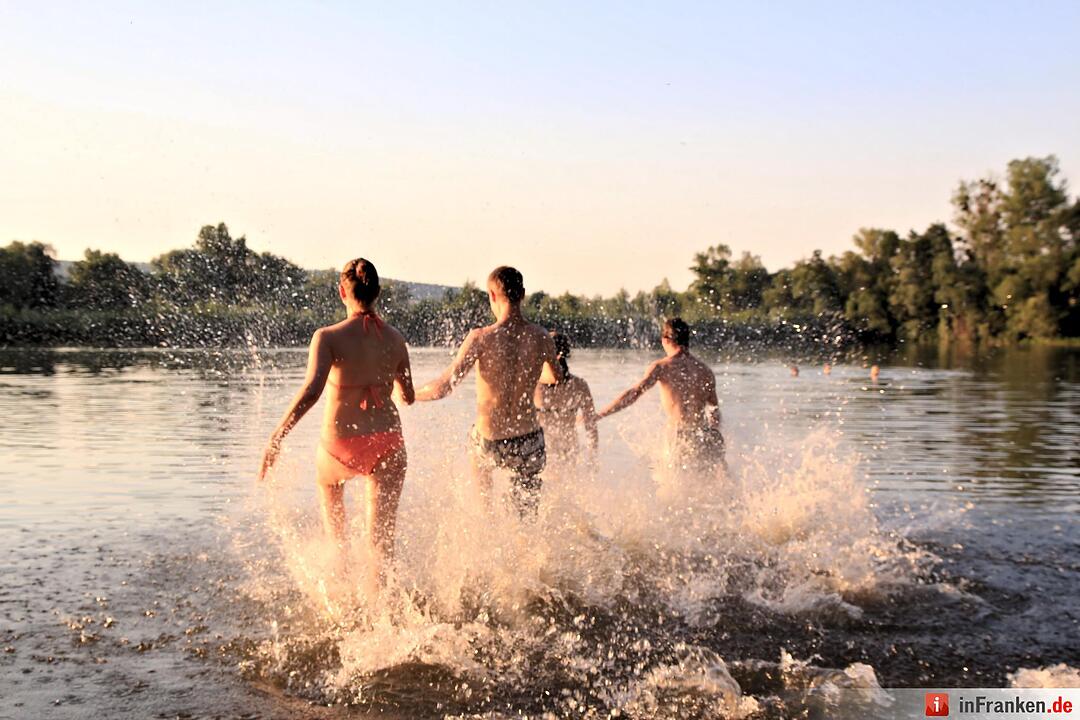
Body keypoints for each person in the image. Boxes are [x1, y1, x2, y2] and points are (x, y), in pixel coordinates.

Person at [258, 258, 414, 596]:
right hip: (388, 440)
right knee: (381, 545)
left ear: (342, 292)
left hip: (339, 445)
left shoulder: (326, 337)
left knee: (337, 539)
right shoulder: (396, 339)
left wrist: (277, 436)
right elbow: (409, 396)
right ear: (377, 292)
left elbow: (312, 391)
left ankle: (342, 603)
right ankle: (383, 614)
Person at [416, 266, 562, 517]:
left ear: (492, 296)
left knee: (485, 508)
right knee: (526, 518)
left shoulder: (481, 338)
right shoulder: (541, 337)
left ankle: (487, 522)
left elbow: (444, 387)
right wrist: (529, 371)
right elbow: (555, 377)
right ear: (523, 294)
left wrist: (408, 393)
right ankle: (530, 554)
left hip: (490, 440)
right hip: (528, 440)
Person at [597, 318, 725, 476]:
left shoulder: (663, 367)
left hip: (680, 437)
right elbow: (714, 410)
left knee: (676, 491)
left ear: (665, 340)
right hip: (704, 435)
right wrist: (713, 432)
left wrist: (600, 414)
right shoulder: (705, 370)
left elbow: (634, 393)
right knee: (710, 486)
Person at [534, 332, 598, 476]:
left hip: (541, 449)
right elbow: (591, 426)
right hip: (568, 448)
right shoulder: (580, 385)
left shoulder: (532, 386)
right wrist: (592, 458)